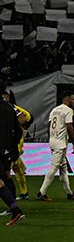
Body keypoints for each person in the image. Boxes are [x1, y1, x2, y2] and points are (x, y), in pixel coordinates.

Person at [36, 91, 74, 200]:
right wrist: (73, 143)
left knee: (63, 168)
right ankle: (42, 193)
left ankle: (70, 193)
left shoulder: (54, 110)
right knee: (54, 167)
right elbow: (69, 127)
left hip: (53, 141)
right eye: (73, 99)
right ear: (67, 99)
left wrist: (52, 138)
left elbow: (49, 126)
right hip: (60, 143)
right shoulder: (68, 111)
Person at [0, 89, 24, 226]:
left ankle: (15, 211)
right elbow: (19, 130)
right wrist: (12, 145)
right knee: (7, 176)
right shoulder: (9, 108)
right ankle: (14, 207)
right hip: (6, 151)